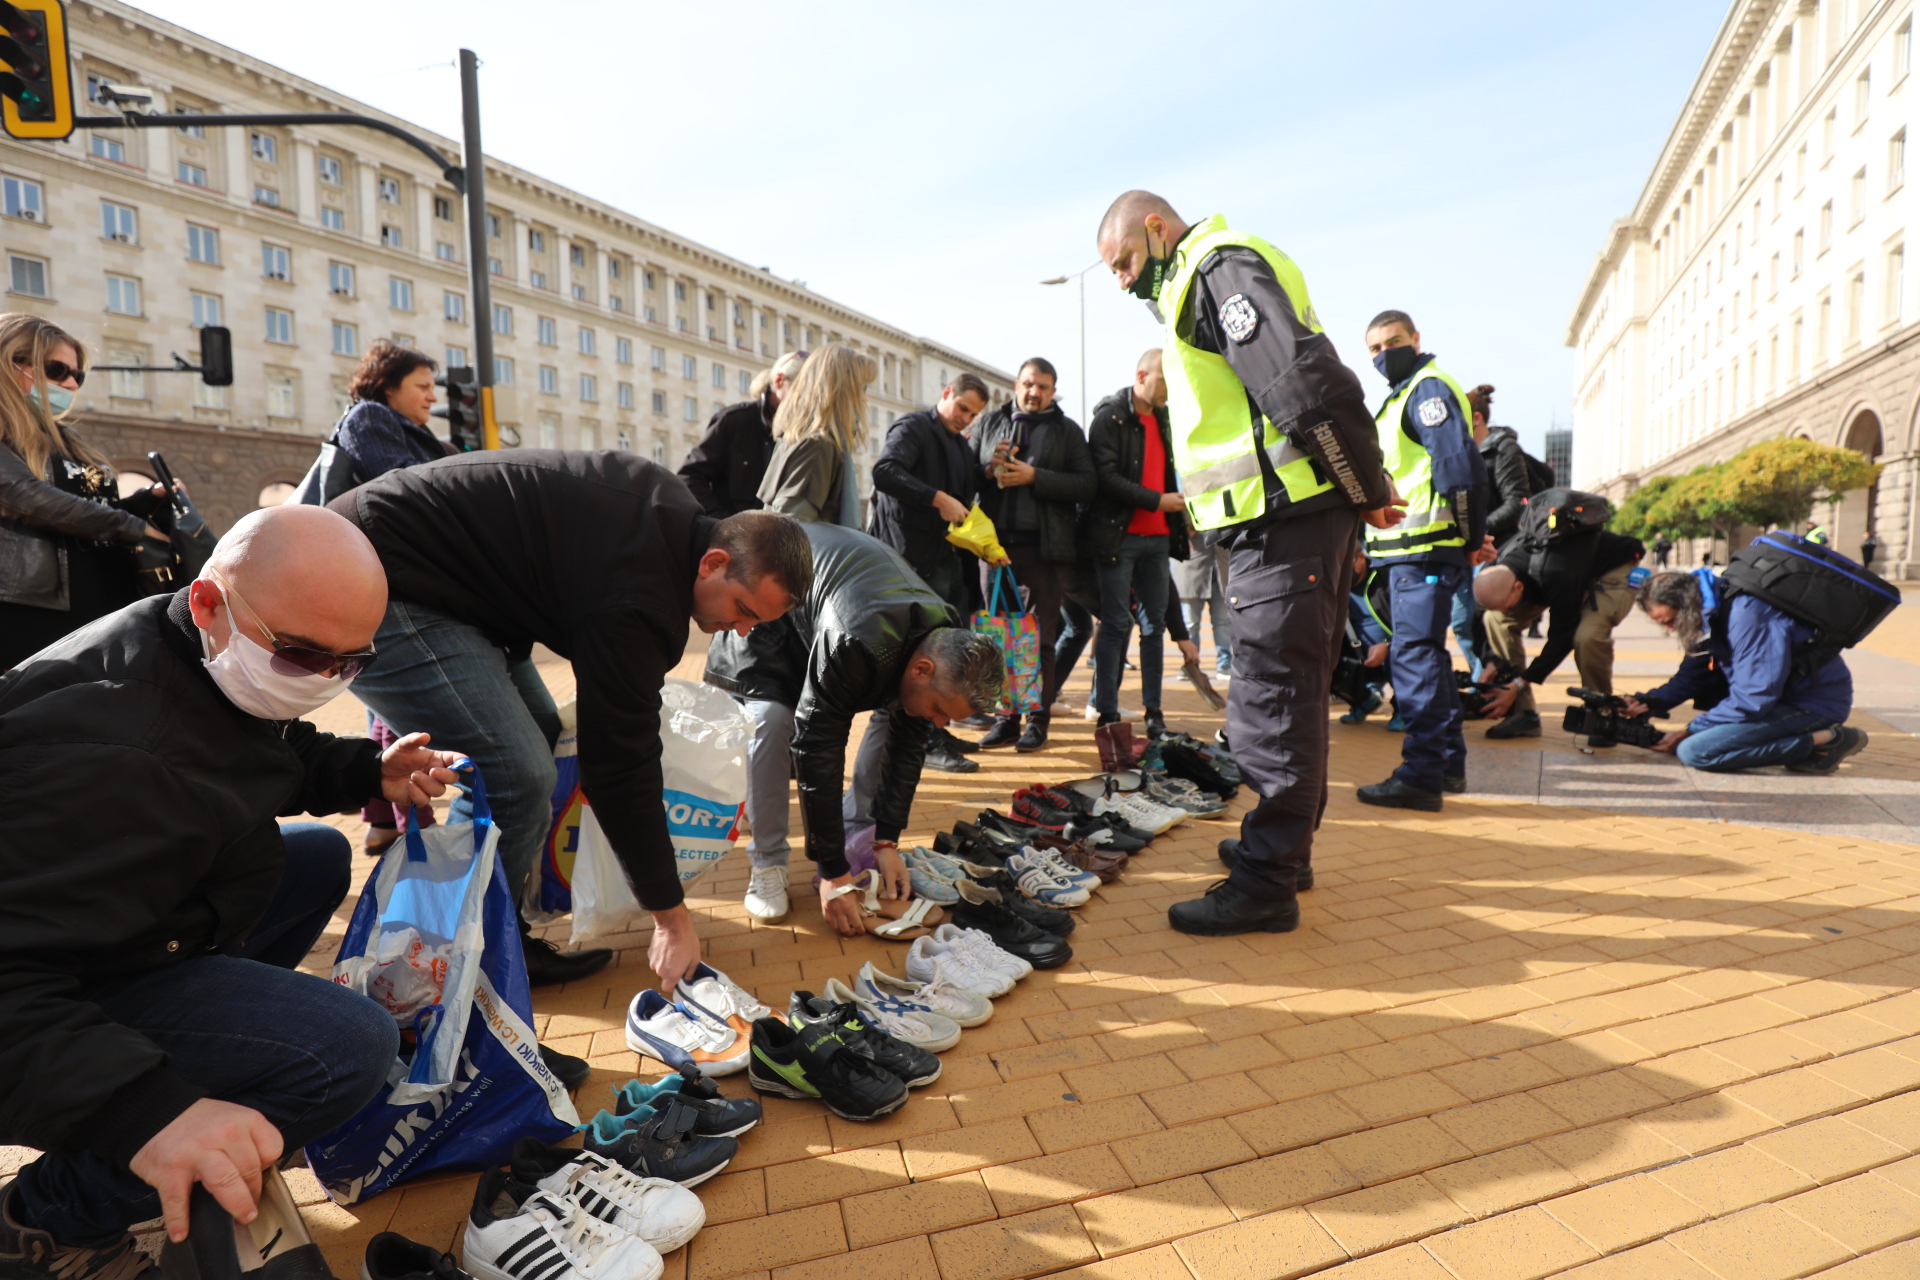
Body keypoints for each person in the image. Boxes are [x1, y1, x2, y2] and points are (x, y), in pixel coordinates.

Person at [0, 505, 464, 1280]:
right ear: (211, 600)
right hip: (35, 998)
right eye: (305, 657)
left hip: (98, 931)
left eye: (349, 665)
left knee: (314, 856)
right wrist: (148, 1115)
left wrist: (361, 772)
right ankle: (49, 1219)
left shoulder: (196, 644)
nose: (322, 683)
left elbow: (249, 747)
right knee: (348, 1049)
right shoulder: (108, 758)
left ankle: (208, 1071)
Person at [331, 452, 813, 991]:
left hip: (444, 583)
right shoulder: (639, 598)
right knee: (518, 774)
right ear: (713, 562)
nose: (741, 631)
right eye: (744, 609)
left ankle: (494, 930)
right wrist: (670, 918)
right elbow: (619, 765)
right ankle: (462, 966)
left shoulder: (673, 515)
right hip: (373, 578)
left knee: (536, 736)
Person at [1097, 190, 1395, 936]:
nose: (1124, 282)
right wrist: (1356, 489)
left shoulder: (1212, 269)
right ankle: (1284, 850)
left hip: (1283, 518)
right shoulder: (1205, 276)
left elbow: (1301, 383)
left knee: (1270, 700)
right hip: (1288, 518)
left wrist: (1364, 486)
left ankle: (1266, 880)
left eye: (1126, 261)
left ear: (1157, 230)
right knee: (1291, 691)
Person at [704, 523, 1005, 930]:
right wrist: (831, 871)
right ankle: (768, 863)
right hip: (772, 626)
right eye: (940, 709)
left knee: (904, 715)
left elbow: (908, 747)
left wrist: (887, 841)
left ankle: (857, 835)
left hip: (838, 614)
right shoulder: (855, 640)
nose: (940, 724)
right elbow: (817, 745)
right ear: (922, 668)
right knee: (773, 722)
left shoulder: (940, 634)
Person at [1350, 312, 1487, 810]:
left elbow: (1458, 467)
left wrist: (1469, 536)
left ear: (1416, 339)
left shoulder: (1426, 390)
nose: (1384, 353)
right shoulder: (1402, 395)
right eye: (1374, 348)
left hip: (1422, 552)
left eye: (1394, 341)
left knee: (1415, 661)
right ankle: (1445, 766)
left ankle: (1422, 775)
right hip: (1412, 552)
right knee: (1426, 657)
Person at [326, 339, 456, 856]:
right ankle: (414, 824)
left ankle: (383, 820)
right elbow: (408, 492)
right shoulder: (370, 420)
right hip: (381, 582)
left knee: (381, 705)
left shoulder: (408, 429)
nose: (432, 397)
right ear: (387, 385)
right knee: (393, 714)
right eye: (421, 387)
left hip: (387, 578)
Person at [0, 314, 171, 671]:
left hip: (105, 602)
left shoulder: (66, 438)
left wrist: (145, 501)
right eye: (58, 369)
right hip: (35, 612)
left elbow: (90, 508)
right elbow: (24, 497)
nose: (71, 384)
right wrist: (129, 524)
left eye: (77, 375)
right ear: (11, 362)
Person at [970, 357, 1097, 751]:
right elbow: (965, 475)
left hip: (1046, 550)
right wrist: (988, 470)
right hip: (994, 550)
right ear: (1016, 384)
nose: (1034, 392)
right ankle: (1006, 720)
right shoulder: (990, 423)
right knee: (999, 640)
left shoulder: (1067, 430)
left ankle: (1037, 721)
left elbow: (1087, 485)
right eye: (1028, 384)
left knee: (1039, 640)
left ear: (1053, 391)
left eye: (1042, 386)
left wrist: (1035, 477)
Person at [868, 372, 992, 771]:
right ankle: (924, 742)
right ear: (946, 394)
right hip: (910, 562)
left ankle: (936, 732)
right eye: (962, 408)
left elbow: (966, 482)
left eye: (972, 415)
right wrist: (936, 498)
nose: (965, 418)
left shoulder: (958, 442)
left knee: (946, 648)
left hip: (944, 560)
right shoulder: (914, 427)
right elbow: (884, 471)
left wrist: (988, 471)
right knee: (921, 654)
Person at [1624, 569, 1865, 773]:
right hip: (1775, 702)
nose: (1670, 630)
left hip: (1811, 706)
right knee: (1703, 738)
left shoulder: (1748, 616)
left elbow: (1755, 696)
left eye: (1670, 621)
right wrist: (1648, 702)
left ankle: (1828, 740)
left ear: (1687, 606)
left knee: (1696, 751)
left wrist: (1691, 729)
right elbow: (1692, 677)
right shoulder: (1708, 614)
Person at [1082, 349, 1189, 739]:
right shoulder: (1110, 415)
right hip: (1120, 536)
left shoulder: (1165, 418)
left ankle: (1154, 713)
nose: (1169, 389)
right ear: (1141, 374)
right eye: (1164, 380)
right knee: (1114, 623)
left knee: (1153, 628)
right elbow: (1105, 477)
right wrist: (1157, 501)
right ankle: (1107, 712)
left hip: (1159, 538)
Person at [1473, 523, 1645, 736]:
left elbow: (1562, 638)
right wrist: (1491, 660)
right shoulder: (1494, 572)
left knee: (1587, 636)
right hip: (1563, 572)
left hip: (1612, 569)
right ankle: (1523, 713)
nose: (1508, 611)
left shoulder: (1557, 572)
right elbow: (1478, 621)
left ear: (1519, 587)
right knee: (1495, 618)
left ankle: (1603, 715)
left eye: (1508, 606)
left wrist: (1520, 682)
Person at [677, 349, 808, 518]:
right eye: (803, 390)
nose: (809, 399)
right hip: (734, 540)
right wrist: (724, 524)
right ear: (779, 381)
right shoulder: (735, 421)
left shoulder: (806, 431)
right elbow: (689, 477)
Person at [758, 344, 872, 526]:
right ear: (842, 389)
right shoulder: (818, 444)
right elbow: (791, 530)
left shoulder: (813, 438)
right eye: (863, 387)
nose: (865, 398)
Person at [1173, 539, 1232, 677]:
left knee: (1223, 623)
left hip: (1223, 568)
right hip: (1192, 567)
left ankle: (1225, 664)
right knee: (1190, 624)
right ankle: (1191, 664)